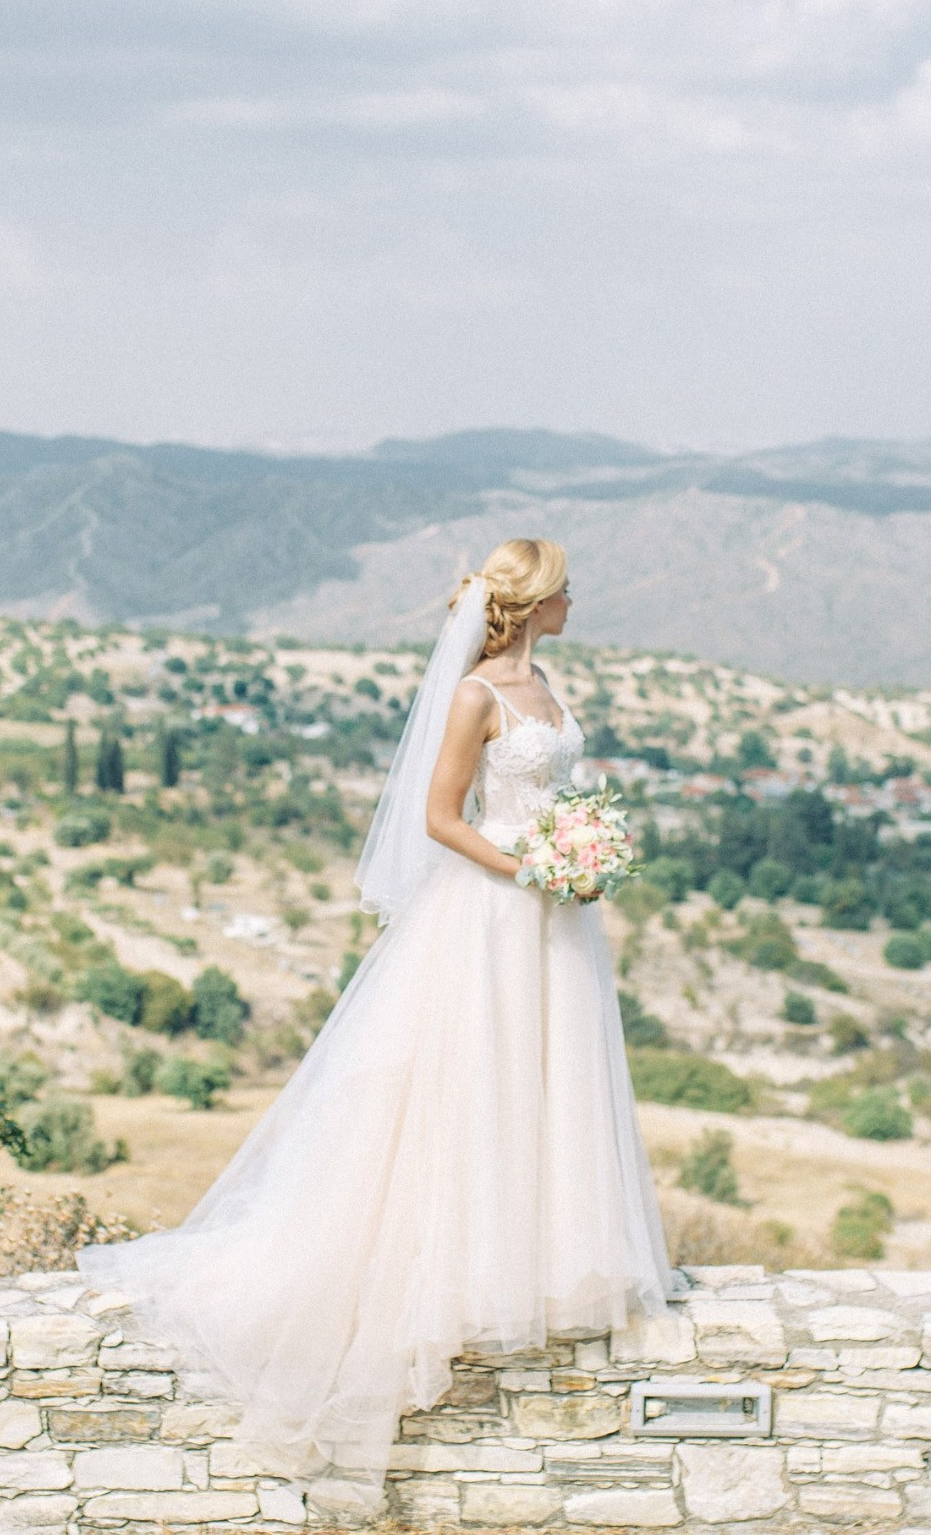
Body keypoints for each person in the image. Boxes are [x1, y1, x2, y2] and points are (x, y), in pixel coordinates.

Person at [78, 537, 674, 1493]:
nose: (577, 600)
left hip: (554, 915)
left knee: (546, 1077)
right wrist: (534, 867)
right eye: (566, 589)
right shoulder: (475, 694)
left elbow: (550, 794)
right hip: (496, 909)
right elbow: (442, 818)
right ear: (532, 602)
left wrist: (579, 851)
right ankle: (450, 1276)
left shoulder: (544, 681)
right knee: (474, 1079)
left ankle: (535, 1264)